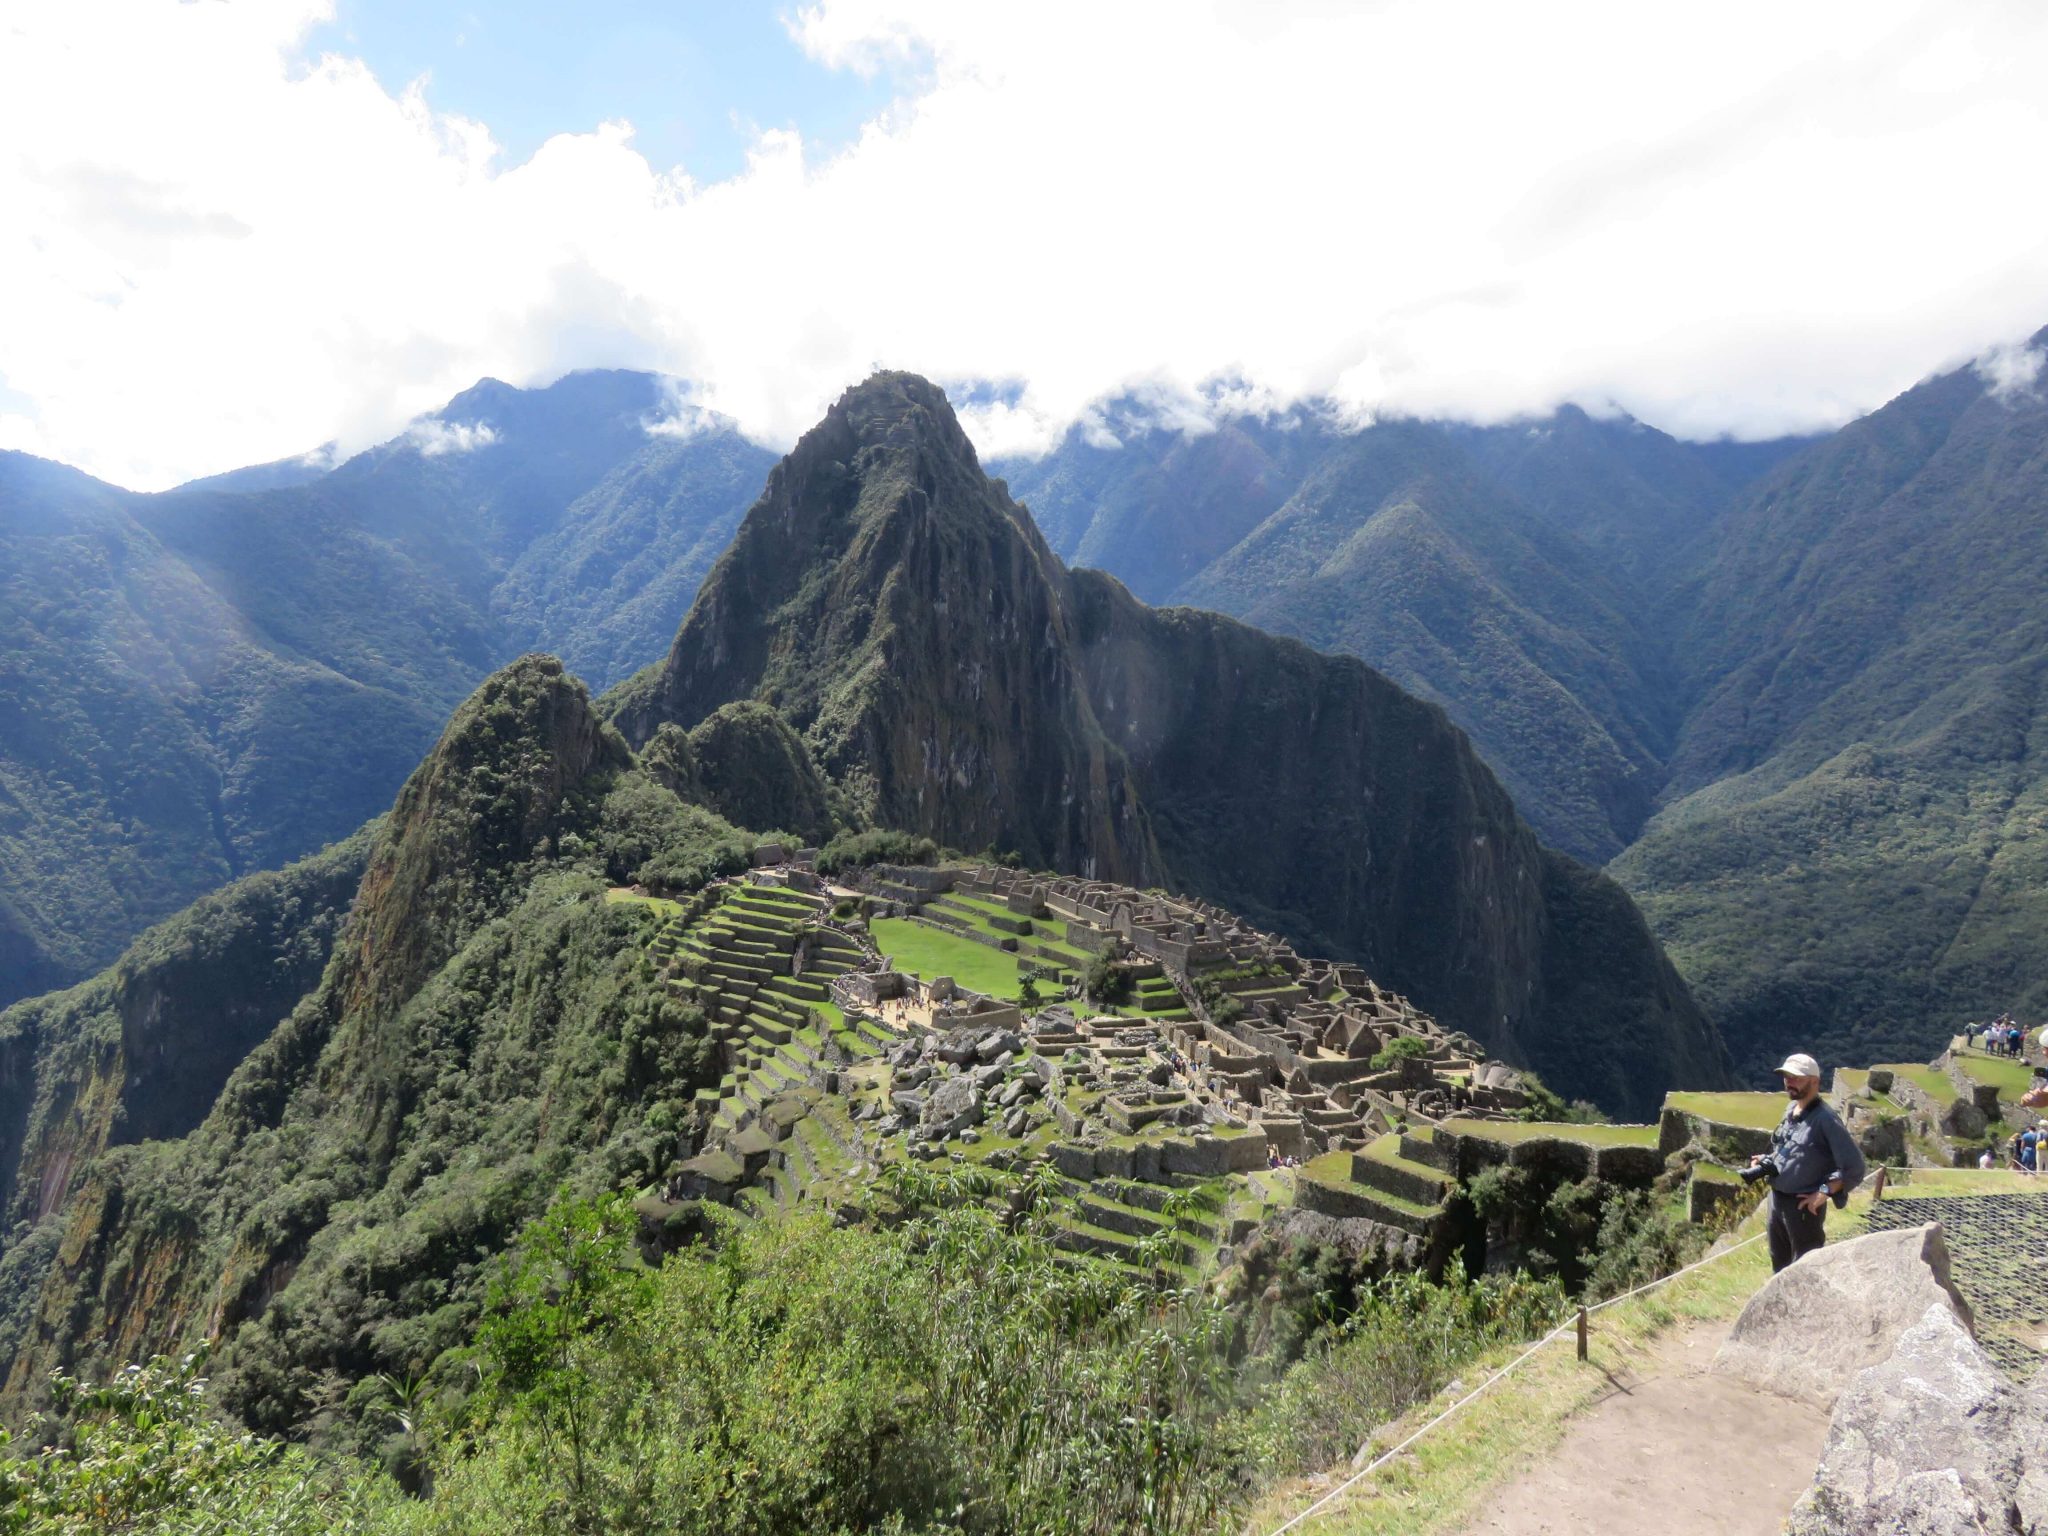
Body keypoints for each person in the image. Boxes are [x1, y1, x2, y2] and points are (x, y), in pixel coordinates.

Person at [1753, 1053, 1867, 1273]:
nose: (1789, 1082)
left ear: (1814, 1081)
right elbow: (1791, 1149)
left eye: (1796, 1077)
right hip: (1777, 1201)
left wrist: (1824, 1191)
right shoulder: (1791, 1110)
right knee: (1779, 1265)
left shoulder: (1826, 1120)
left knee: (1805, 1269)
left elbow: (1855, 1167)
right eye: (1786, 1076)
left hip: (1803, 1208)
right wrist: (1767, 1161)